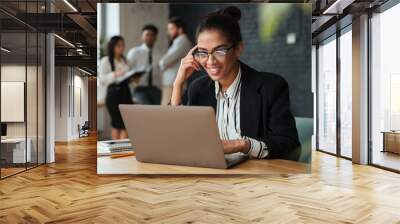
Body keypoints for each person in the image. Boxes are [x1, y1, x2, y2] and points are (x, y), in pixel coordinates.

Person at [171, 6, 301, 160]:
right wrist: (178, 83)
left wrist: (241, 145)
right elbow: (180, 139)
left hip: (254, 178)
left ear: (238, 49)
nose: (210, 61)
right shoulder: (198, 89)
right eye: (203, 52)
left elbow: (290, 146)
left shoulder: (271, 86)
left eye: (219, 51)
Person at [99, 36, 133, 140]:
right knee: (117, 123)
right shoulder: (106, 60)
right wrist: (115, 74)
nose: (121, 48)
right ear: (112, 46)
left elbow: (127, 76)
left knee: (127, 123)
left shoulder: (124, 60)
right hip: (113, 94)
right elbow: (102, 79)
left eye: (123, 45)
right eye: (118, 46)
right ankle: (116, 151)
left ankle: (122, 151)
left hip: (125, 93)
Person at [159, 17, 192, 105]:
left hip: (173, 83)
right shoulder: (179, 41)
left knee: (165, 113)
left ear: (180, 29)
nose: (168, 32)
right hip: (172, 83)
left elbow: (163, 62)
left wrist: (164, 65)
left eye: (171, 29)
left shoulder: (182, 41)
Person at [127, 24, 161, 104]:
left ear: (155, 37)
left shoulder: (159, 54)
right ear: (142, 37)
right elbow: (127, 71)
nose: (149, 37)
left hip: (156, 90)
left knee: (156, 114)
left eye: (152, 35)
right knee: (145, 113)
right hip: (140, 89)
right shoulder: (134, 52)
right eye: (147, 35)